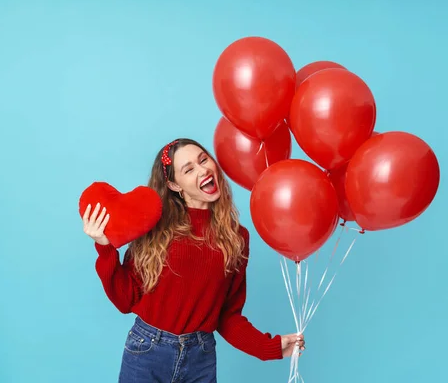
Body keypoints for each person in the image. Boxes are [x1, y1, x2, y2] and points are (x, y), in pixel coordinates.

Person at [82, 138, 305, 383]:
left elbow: (228, 316)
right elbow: (125, 301)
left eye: (203, 159)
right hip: (147, 352)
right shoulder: (154, 227)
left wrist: (268, 347)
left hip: (201, 356)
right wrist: (105, 249)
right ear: (174, 185)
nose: (203, 170)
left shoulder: (237, 237)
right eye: (189, 169)